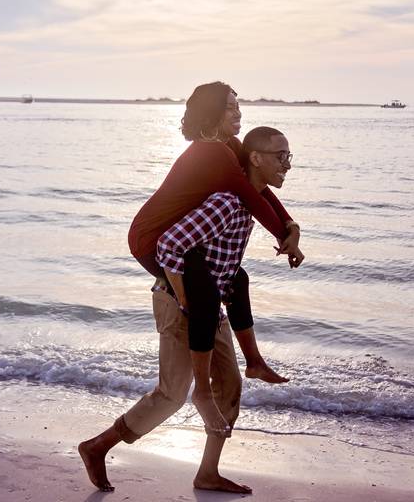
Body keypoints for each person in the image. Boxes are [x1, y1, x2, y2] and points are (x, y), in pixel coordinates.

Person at [80, 126, 296, 493]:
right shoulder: (227, 202)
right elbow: (169, 245)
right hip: (177, 300)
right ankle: (97, 447)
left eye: (290, 157)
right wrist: (185, 300)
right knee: (171, 394)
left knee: (229, 385)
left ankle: (208, 473)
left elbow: (226, 263)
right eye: (281, 157)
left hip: (210, 306)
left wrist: (291, 229)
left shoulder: (249, 203)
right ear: (256, 159)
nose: (288, 165)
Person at [128, 82, 303, 390]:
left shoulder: (229, 146)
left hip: (178, 237)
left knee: (238, 279)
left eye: (238, 106)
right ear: (213, 113)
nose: (238, 112)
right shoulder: (211, 151)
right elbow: (250, 196)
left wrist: (290, 226)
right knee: (206, 299)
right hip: (150, 239)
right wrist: (285, 238)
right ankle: (203, 390)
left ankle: (254, 362)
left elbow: (258, 190)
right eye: (230, 107)